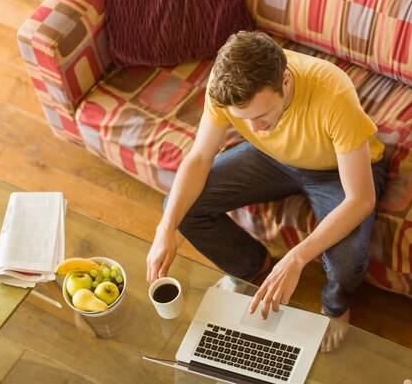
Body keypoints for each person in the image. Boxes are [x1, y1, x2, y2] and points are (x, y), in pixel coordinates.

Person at [147, 30, 387, 352]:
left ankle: (335, 306)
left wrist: (296, 258)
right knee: (178, 209)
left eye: (261, 116)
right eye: (243, 120)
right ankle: (251, 267)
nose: (255, 128)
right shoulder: (225, 88)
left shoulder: (332, 92)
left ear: (285, 81)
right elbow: (200, 157)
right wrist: (165, 229)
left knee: (345, 262)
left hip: (337, 169)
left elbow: (361, 199)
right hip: (273, 159)